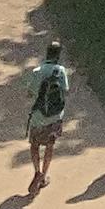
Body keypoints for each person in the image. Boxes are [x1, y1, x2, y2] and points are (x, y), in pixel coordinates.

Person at [24, 35, 69, 194]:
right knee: (50, 146)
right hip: (55, 117)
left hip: (38, 116)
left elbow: (30, 94)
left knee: (34, 145)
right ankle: (44, 175)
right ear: (58, 55)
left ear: (47, 53)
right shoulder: (60, 71)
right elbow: (65, 90)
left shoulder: (37, 71)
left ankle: (37, 171)